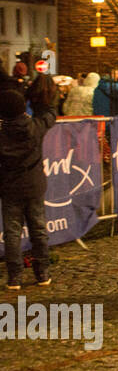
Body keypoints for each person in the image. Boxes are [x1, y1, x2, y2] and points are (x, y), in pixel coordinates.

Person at [1, 85, 57, 288]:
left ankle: (14, 276)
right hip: (33, 185)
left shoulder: (2, 133)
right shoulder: (35, 127)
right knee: (39, 229)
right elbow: (51, 115)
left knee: (12, 233)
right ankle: (42, 272)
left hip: (9, 187)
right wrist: (41, 101)